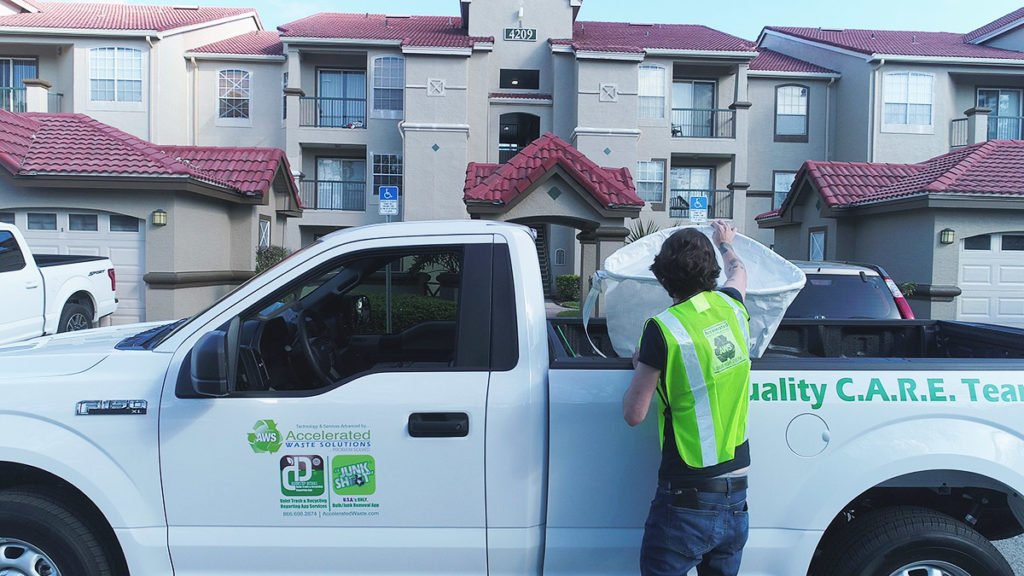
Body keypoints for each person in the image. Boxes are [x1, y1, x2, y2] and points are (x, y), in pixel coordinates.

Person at [622, 220, 751, 576]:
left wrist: (643, 364)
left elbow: (634, 413)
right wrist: (725, 243)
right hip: (736, 496)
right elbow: (739, 271)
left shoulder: (662, 330)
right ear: (711, 271)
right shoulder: (733, 307)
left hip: (687, 499)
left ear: (663, 278)